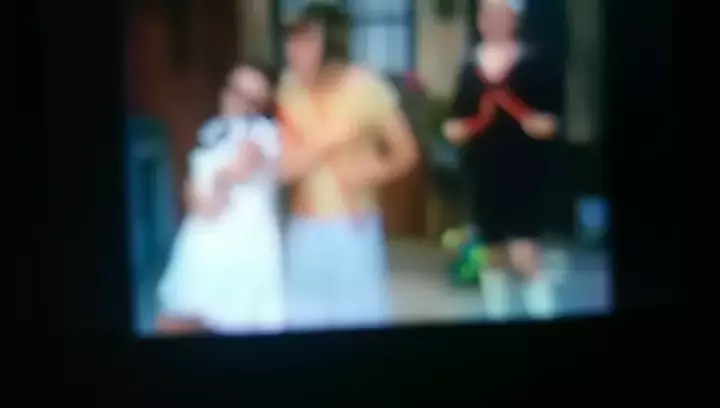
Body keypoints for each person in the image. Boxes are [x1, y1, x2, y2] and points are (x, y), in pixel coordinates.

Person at [276, 4, 419, 330]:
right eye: (291, 40)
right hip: (305, 226)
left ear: (332, 44)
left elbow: (406, 153)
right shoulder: (289, 87)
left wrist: (375, 171)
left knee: (359, 320)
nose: (293, 49)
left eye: (305, 41)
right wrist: (332, 139)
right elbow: (285, 167)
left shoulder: (366, 86)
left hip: (355, 225)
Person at [442, 0, 563, 320]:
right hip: (482, 170)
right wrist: (455, 129)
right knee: (492, 252)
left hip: (526, 172)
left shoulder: (535, 62)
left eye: (499, 14)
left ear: (514, 19)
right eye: (486, 14)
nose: (491, 21)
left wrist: (542, 124)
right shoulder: (470, 66)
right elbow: (457, 117)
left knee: (524, 253)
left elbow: (552, 119)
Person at [155, 61, 284, 335]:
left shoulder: (262, 134)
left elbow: (229, 180)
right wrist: (197, 192)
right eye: (234, 90)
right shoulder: (212, 129)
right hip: (201, 238)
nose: (238, 101)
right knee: (177, 320)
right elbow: (194, 188)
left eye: (251, 98)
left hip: (240, 243)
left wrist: (211, 185)